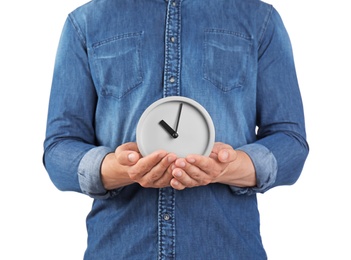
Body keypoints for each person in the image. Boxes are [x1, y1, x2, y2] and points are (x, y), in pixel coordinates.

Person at [43, 0, 309, 259]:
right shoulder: (86, 23)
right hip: (119, 249)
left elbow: (290, 140)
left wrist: (232, 166)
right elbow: (59, 148)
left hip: (229, 248)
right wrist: (117, 168)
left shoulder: (259, 19)